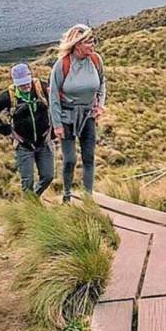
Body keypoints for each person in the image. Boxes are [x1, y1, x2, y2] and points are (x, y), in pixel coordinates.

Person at [49, 24, 106, 202]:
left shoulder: (96, 60)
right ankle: (67, 194)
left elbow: (102, 83)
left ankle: (88, 197)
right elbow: (53, 96)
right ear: (77, 45)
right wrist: (57, 124)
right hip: (67, 117)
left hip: (88, 115)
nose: (93, 45)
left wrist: (100, 106)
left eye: (93, 41)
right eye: (89, 42)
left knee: (89, 157)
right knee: (70, 159)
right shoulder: (62, 65)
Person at [0, 63, 54, 196]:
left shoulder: (42, 88)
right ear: (15, 83)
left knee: (48, 176)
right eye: (21, 84)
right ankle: (30, 207)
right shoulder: (7, 96)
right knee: (27, 183)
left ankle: (34, 197)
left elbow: (58, 102)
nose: (26, 86)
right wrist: (7, 131)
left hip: (44, 142)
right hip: (23, 145)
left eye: (27, 83)